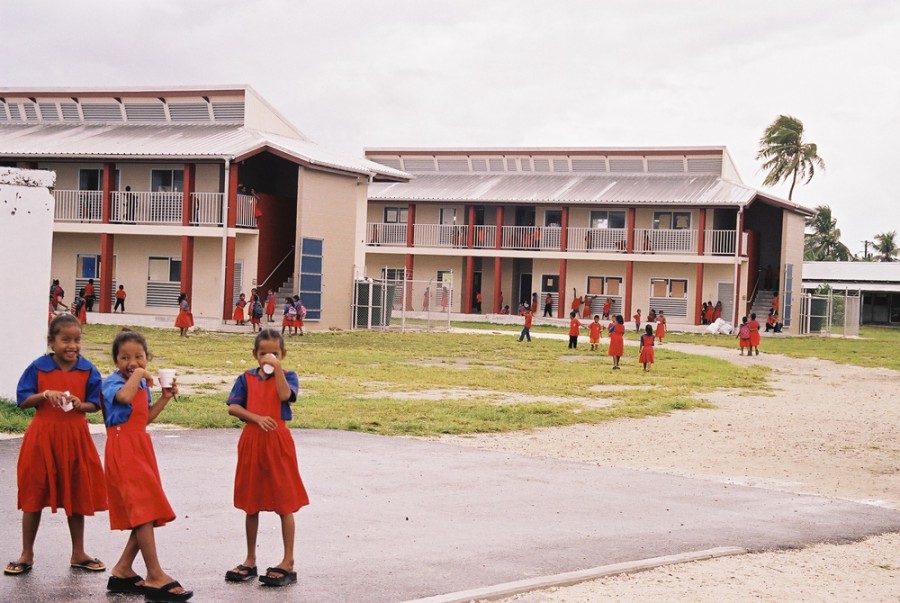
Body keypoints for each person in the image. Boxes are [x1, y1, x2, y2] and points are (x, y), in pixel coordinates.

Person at [5, 314, 107, 577]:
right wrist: (43, 394)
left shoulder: (88, 369)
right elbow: (22, 400)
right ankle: (26, 553)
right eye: (65, 340)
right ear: (51, 341)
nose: (72, 345)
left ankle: (79, 552)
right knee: (33, 493)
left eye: (77, 340)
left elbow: (95, 405)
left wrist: (78, 403)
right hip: (42, 440)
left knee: (76, 493)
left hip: (75, 439)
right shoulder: (38, 367)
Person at [101, 329, 192, 601]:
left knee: (148, 511)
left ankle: (123, 569)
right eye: (125, 357)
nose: (132, 362)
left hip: (140, 446)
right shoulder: (111, 383)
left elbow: (145, 419)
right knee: (143, 510)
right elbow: (123, 399)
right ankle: (154, 575)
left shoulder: (141, 383)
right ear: (116, 361)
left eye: (139, 357)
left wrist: (164, 396)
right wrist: (140, 373)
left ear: (147, 357)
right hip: (123, 449)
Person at [225, 329, 309, 587]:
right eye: (263, 354)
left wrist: (279, 370)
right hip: (252, 441)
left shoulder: (288, 377)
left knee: (284, 501)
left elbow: (285, 396)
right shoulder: (246, 378)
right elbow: (233, 407)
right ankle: (250, 559)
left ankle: (288, 561)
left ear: (282, 354)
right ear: (255, 355)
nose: (268, 358)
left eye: (274, 353)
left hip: (278, 443)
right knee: (251, 502)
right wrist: (256, 418)